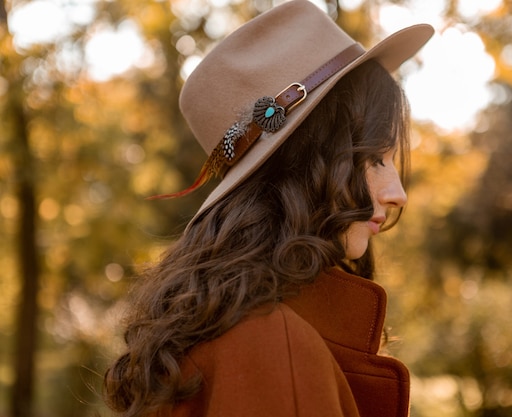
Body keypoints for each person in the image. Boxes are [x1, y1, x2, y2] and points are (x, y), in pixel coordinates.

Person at [103, 1, 433, 416]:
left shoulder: (225, 324)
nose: (397, 193)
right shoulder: (274, 350)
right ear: (305, 163)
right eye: (373, 158)